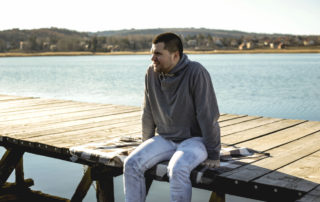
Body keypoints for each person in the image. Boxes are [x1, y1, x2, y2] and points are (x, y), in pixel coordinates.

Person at [123, 32, 221, 202]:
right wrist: (145, 143)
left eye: (158, 54)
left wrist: (213, 154)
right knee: (131, 163)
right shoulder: (151, 73)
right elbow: (148, 112)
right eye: (152, 53)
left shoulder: (196, 72)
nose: (152, 58)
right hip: (165, 138)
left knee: (177, 168)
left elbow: (208, 115)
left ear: (175, 55)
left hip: (195, 140)